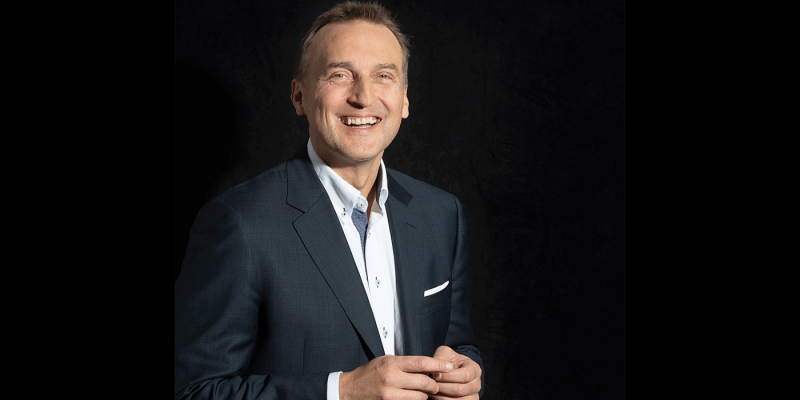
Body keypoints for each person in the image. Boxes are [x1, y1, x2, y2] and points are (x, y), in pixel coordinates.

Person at [174, 2, 484, 399]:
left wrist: (464, 371)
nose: (364, 97)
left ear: (404, 99)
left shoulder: (441, 213)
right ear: (299, 96)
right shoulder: (239, 223)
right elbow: (192, 390)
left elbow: (457, 344)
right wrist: (342, 391)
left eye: (383, 76)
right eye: (340, 75)